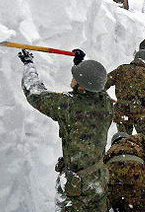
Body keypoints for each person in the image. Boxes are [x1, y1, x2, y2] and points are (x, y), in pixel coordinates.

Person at [19, 49, 113, 212]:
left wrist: (29, 65)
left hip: (77, 184)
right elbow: (96, 85)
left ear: (82, 86)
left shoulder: (69, 105)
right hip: (99, 178)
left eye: (75, 77)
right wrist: (80, 65)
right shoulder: (106, 103)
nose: (72, 79)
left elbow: (35, 93)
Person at [104, 50, 145, 141]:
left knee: (124, 140)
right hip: (140, 114)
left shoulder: (121, 69)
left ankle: (125, 152)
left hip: (121, 112)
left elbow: (103, 83)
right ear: (144, 61)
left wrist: (106, 98)